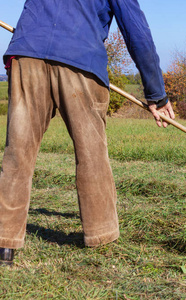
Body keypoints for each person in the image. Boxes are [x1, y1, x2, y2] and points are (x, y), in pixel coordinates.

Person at [0, 0, 175, 266]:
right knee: (91, 152)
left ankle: (4, 242)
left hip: (28, 53)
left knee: (17, 152)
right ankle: (101, 235)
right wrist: (156, 94)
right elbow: (136, 31)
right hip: (79, 59)